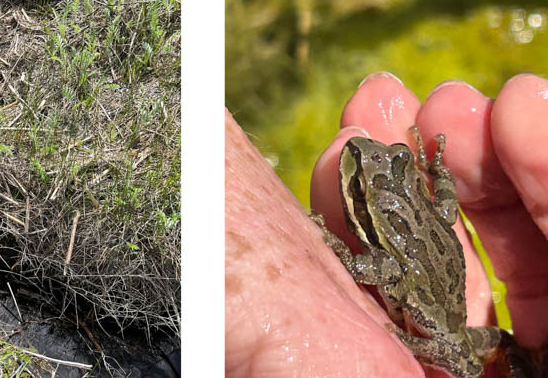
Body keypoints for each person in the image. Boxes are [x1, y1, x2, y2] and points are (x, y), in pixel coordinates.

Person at [226, 72, 548, 377]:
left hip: (440, 334)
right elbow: (446, 210)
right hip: (454, 317)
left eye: (360, 188)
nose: (364, 153)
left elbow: (387, 269)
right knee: (496, 344)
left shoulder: (396, 250)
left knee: (481, 348)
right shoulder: (437, 214)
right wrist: (437, 171)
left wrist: (345, 255)